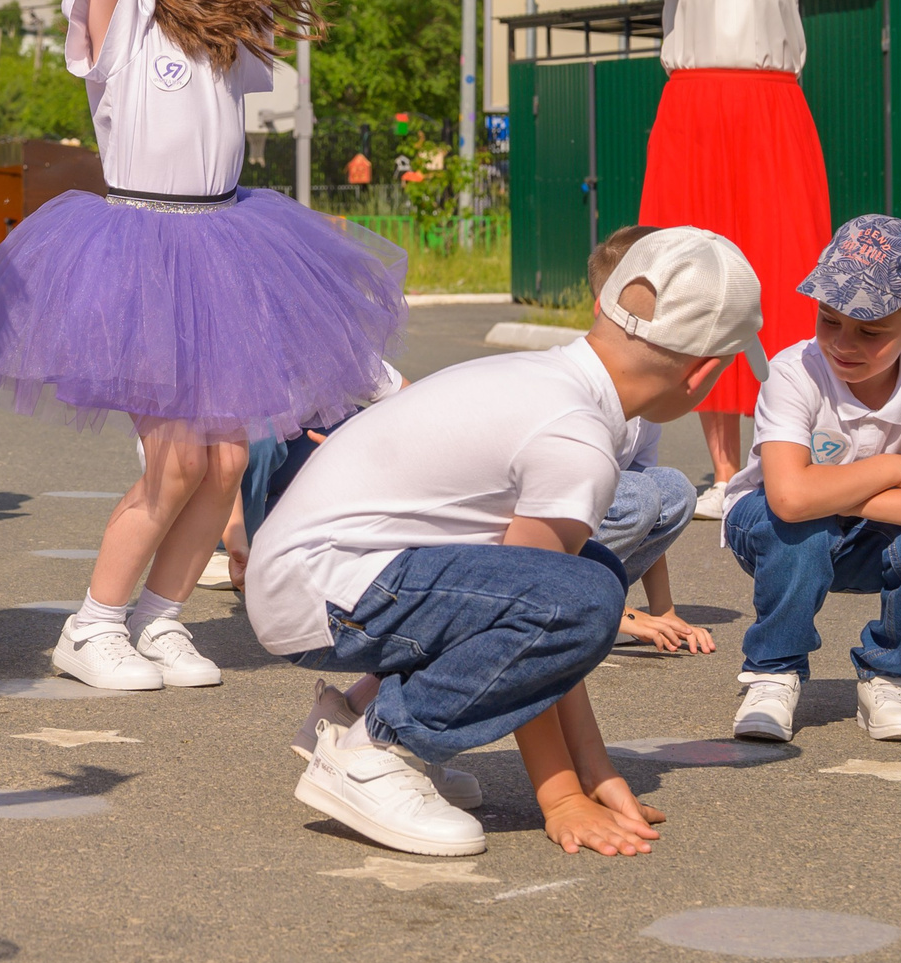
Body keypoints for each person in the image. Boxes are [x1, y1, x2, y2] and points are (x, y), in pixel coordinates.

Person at [0, 0, 406, 694]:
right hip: (141, 247)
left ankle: (161, 618)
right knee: (171, 463)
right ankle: (92, 622)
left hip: (224, 238)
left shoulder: (231, 19)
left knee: (226, 460)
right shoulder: (113, 10)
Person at [247, 227, 763, 857]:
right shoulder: (578, 442)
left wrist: (594, 769)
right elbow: (549, 612)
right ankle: (377, 750)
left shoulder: (546, 378)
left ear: (605, 307)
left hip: (314, 577)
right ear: (705, 373)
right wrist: (561, 796)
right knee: (583, 596)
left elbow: (544, 600)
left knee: (592, 575)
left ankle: (352, 717)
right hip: (320, 596)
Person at [637, 0, 836, 524]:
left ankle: (774, 453)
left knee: (781, 275)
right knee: (700, 286)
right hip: (691, 117)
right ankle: (722, 469)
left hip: (770, 117)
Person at [722, 216, 901, 745]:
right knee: (801, 530)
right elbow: (788, 497)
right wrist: (896, 470)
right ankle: (773, 672)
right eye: (829, 320)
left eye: (870, 331)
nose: (843, 343)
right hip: (768, 527)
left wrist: (845, 497)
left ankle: (889, 677)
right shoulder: (793, 371)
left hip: (862, 533)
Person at [581, 224, 714, 655]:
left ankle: (595, 605)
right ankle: (578, 607)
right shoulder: (581, 388)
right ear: (607, 307)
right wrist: (628, 619)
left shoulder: (642, 391)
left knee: (672, 490)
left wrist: (665, 609)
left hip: (577, 530)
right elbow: (530, 521)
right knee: (637, 495)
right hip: (522, 547)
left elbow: (650, 500)